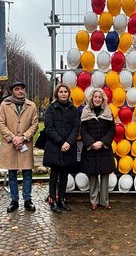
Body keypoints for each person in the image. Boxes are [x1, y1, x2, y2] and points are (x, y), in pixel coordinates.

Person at [0, 81, 39, 213]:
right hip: (10, 144)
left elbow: (35, 124)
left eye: (22, 89)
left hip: (25, 143)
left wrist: (24, 137)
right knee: (12, 174)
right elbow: (1, 123)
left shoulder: (31, 105)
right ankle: (14, 200)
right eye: (17, 89)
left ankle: (27, 199)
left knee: (27, 173)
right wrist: (13, 138)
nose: (20, 91)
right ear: (12, 91)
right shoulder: (5, 104)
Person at [43, 83, 81, 213]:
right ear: (56, 94)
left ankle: (62, 199)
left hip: (68, 146)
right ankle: (53, 200)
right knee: (54, 175)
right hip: (55, 146)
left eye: (65, 92)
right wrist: (61, 142)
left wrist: (68, 143)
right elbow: (49, 127)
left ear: (69, 94)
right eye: (61, 92)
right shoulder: (51, 108)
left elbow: (76, 128)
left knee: (64, 175)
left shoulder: (74, 109)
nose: (63, 94)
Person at [80, 88, 116, 210]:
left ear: (103, 99)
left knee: (105, 176)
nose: (97, 99)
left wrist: (102, 142)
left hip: (104, 149)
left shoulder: (108, 112)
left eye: (99, 97)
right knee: (93, 175)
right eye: (95, 97)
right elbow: (83, 131)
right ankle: (93, 201)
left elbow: (112, 130)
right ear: (91, 98)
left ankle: (105, 201)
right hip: (91, 149)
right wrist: (92, 143)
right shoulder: (86, 112)